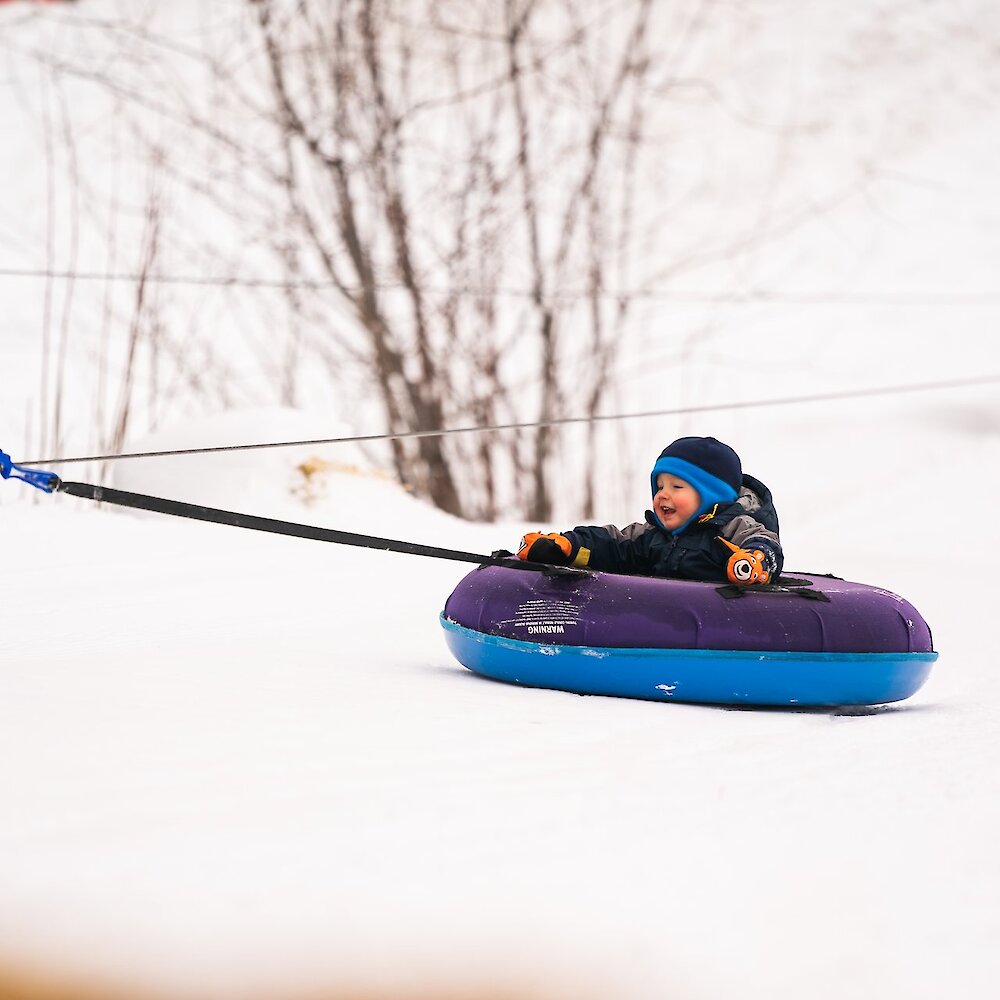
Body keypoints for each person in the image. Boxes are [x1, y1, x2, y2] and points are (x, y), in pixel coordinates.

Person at [516, 435, 783, 585]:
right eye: (659, 486)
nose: (662, 495)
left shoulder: (732, 528)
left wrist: (754, 559)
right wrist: (567, 546)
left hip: (721, 621)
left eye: (677, 487)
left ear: (711, 496)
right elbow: (611, 544)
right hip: (658, 621)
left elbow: (763, 541)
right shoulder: (650, 535)